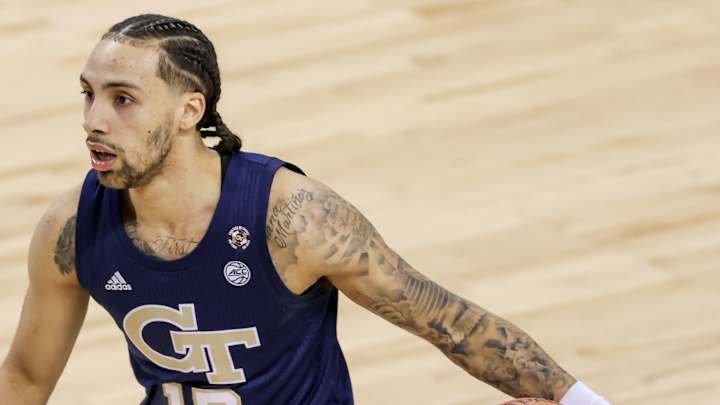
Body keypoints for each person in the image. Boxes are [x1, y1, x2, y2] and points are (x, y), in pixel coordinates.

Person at [0, 14, 611, 405]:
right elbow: (25, 378)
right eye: (88, 94)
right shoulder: (70, 230)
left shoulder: (295, 220)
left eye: (123, 99)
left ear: (190, 111)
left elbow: (451, 323)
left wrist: (583, 402)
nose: (94, 121)